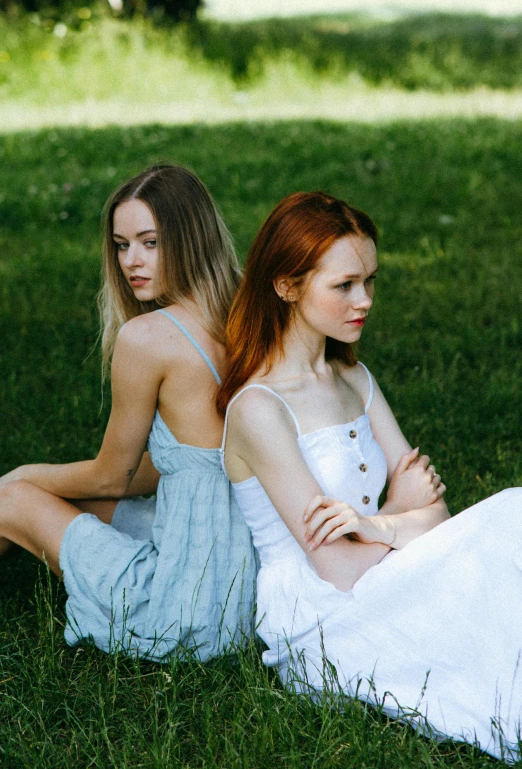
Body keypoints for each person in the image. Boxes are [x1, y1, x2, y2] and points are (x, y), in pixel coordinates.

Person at [217, 190, 522, 760]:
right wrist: (396, 516)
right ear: (286, 286)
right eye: (344, 285)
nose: (365, 300)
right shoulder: (259, 408)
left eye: (371, 281)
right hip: (321, 612)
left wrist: (376, 525)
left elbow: (435, 512)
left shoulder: (354, 379)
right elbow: (334, 565)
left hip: (381, 565)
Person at [0, 164, 256, 662]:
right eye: (121, 245)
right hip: (244, 596)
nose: (131, 262)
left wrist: (23, 478)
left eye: (150, 243)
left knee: (9, 502)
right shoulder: (246, 315)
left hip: (181, 610)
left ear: (189, 239)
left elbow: (111, 478)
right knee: (64, 505)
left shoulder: (148, 337)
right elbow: (154, 472)